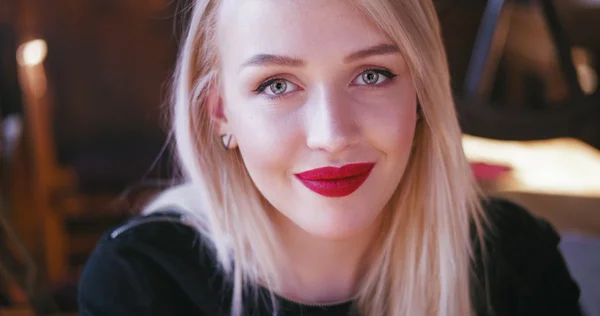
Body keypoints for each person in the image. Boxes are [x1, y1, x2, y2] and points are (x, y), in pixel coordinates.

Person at [77, 0, 583, 315]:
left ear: (422, 91)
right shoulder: (145, 284)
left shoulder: (513, 260)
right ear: (221, 113)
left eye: (372, 74)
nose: (333, 135)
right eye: (277, 84)